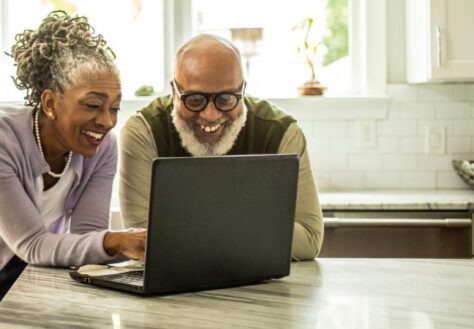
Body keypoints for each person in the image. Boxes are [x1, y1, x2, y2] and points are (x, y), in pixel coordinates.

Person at [0, 11, 147, 328]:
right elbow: (33, 244)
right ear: (50, 103)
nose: (107, 121)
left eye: (114, 107)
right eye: (93, 105)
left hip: (23, 271)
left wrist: (120, 245)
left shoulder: (103, 148)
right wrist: (116, 241)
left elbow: (87, 239)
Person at [118, 34, 324, 261]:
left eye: (226, 99)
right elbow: (142, 242)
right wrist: (253, 227)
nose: (210, 114)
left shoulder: (281, 133)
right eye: (195, 100)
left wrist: (188, 225)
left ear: (242, 90)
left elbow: (309, 239)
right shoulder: (143, 133)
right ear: (174, 90)